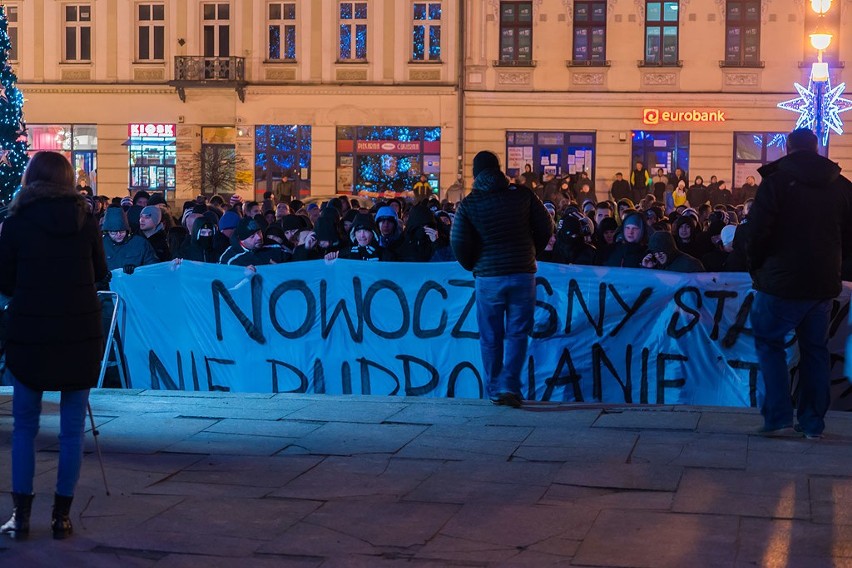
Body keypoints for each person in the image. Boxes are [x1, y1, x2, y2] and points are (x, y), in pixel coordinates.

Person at [0, 151, 108, 540]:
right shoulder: (86, 222)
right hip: (78, 330)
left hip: (31, 330)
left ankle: (21, 515)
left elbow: (5, 280)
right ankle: (62, 516)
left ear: (30, 179)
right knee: (72, 428)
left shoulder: (15, 224)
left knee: (25, 425)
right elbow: (100, 273)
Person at [746, 128, 852, 439]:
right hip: (821, 285)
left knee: (770, 344)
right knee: (815, 351)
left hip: (779, 283)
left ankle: (778, 415)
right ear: (816, 148)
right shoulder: (842, 187)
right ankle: (812, 423)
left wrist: (757, 269)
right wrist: (835, 265)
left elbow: (757, 233)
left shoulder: (776, 183)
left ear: (788, 149)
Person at [451, 150, 553, 408]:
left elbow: (459, 241)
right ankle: (510, 384)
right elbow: (546, 226)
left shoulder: (470, 203)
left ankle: (495, 388)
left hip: (488, 277)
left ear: (475, 173)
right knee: (518, 332)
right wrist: (530, 252)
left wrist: (474, 265)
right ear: (499, 169)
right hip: (522, 273)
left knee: (490, 335)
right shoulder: (522, 195)